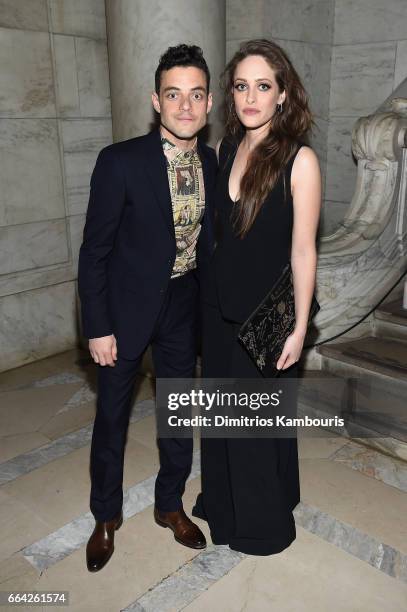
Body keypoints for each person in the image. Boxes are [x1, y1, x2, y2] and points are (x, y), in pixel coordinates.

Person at [78, 44, 217, 572]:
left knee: (178, 413)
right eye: (174, 94)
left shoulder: (210, 159)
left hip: (183, 304)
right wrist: (98, 325)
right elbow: (95, 251)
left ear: (208, 103)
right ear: (155, 101)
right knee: (112, 417)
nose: (186, 106)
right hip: (125, 308)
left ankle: (169, 506)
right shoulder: (119, 161)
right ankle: (105, 517)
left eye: (196, 94)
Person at [192, 39, 321, 555]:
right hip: (219, 308)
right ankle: (224, 506)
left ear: (282, 94)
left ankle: (262, 525)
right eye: (241, 86)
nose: (251, 97)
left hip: (265, 314)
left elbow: (304, 251)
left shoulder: (300, 159)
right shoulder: (227, 149)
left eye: (263, 86)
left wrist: (298, 328)